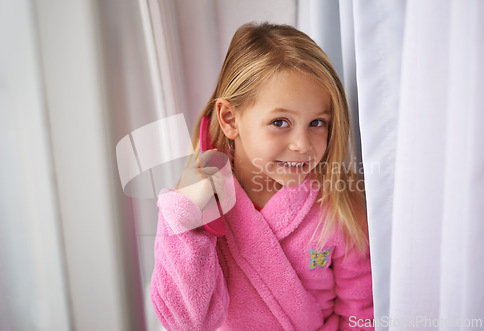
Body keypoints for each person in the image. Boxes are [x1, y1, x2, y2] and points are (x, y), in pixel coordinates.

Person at [150, 22, 374, 330]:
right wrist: (185, 218)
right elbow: (187, 321)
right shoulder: (202, 206)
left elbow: (362, 313)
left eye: (317, 122)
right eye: (280, 122)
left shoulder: (340, 205)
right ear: (230, 119)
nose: (303, 144)